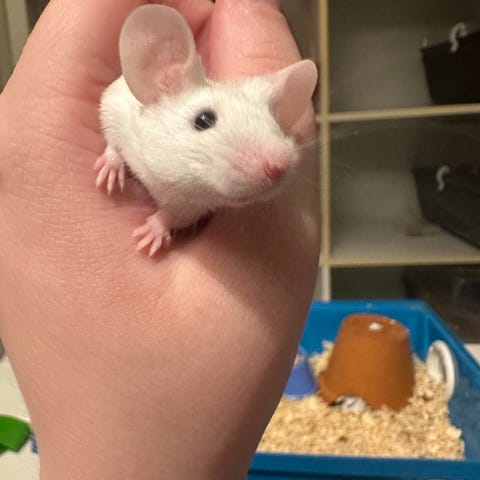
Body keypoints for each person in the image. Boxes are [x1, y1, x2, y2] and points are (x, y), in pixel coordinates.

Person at [0, 0, 319, 478]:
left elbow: (191, 205)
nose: (273, 163)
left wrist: (166, 221)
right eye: (205, 120)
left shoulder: (201, 192)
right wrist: (114, 150)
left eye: (273, 125)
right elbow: (113, 103)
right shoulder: (141, 109)